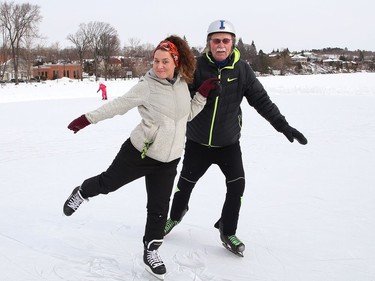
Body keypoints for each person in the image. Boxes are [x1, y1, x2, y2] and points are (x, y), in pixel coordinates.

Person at [62, 35, 217, 279]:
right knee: (107, 183)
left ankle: (151, 250)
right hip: (140, 152)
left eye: (165, 61)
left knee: (158, 208)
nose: (159, 66)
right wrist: (87, 119)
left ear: (176, 62)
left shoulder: (182, 84)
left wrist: (202, 96)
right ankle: (82, 192)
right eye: (156, 60)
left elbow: (185, 116)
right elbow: (119, 105)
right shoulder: (147, 85)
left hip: (169, 159)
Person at [164, 20, 308, 256]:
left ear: (232, 43)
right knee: (185, 184)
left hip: (228, 143)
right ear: (208, 43)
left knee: (237, 185)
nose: (220, 45)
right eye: (215, 40)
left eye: (225, 40)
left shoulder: (242, 70)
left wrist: (283, 126)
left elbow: (261, 101)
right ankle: (175, 216)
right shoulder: (196, 67)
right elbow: (179, 98)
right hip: (197, 142)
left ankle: (227, 229)